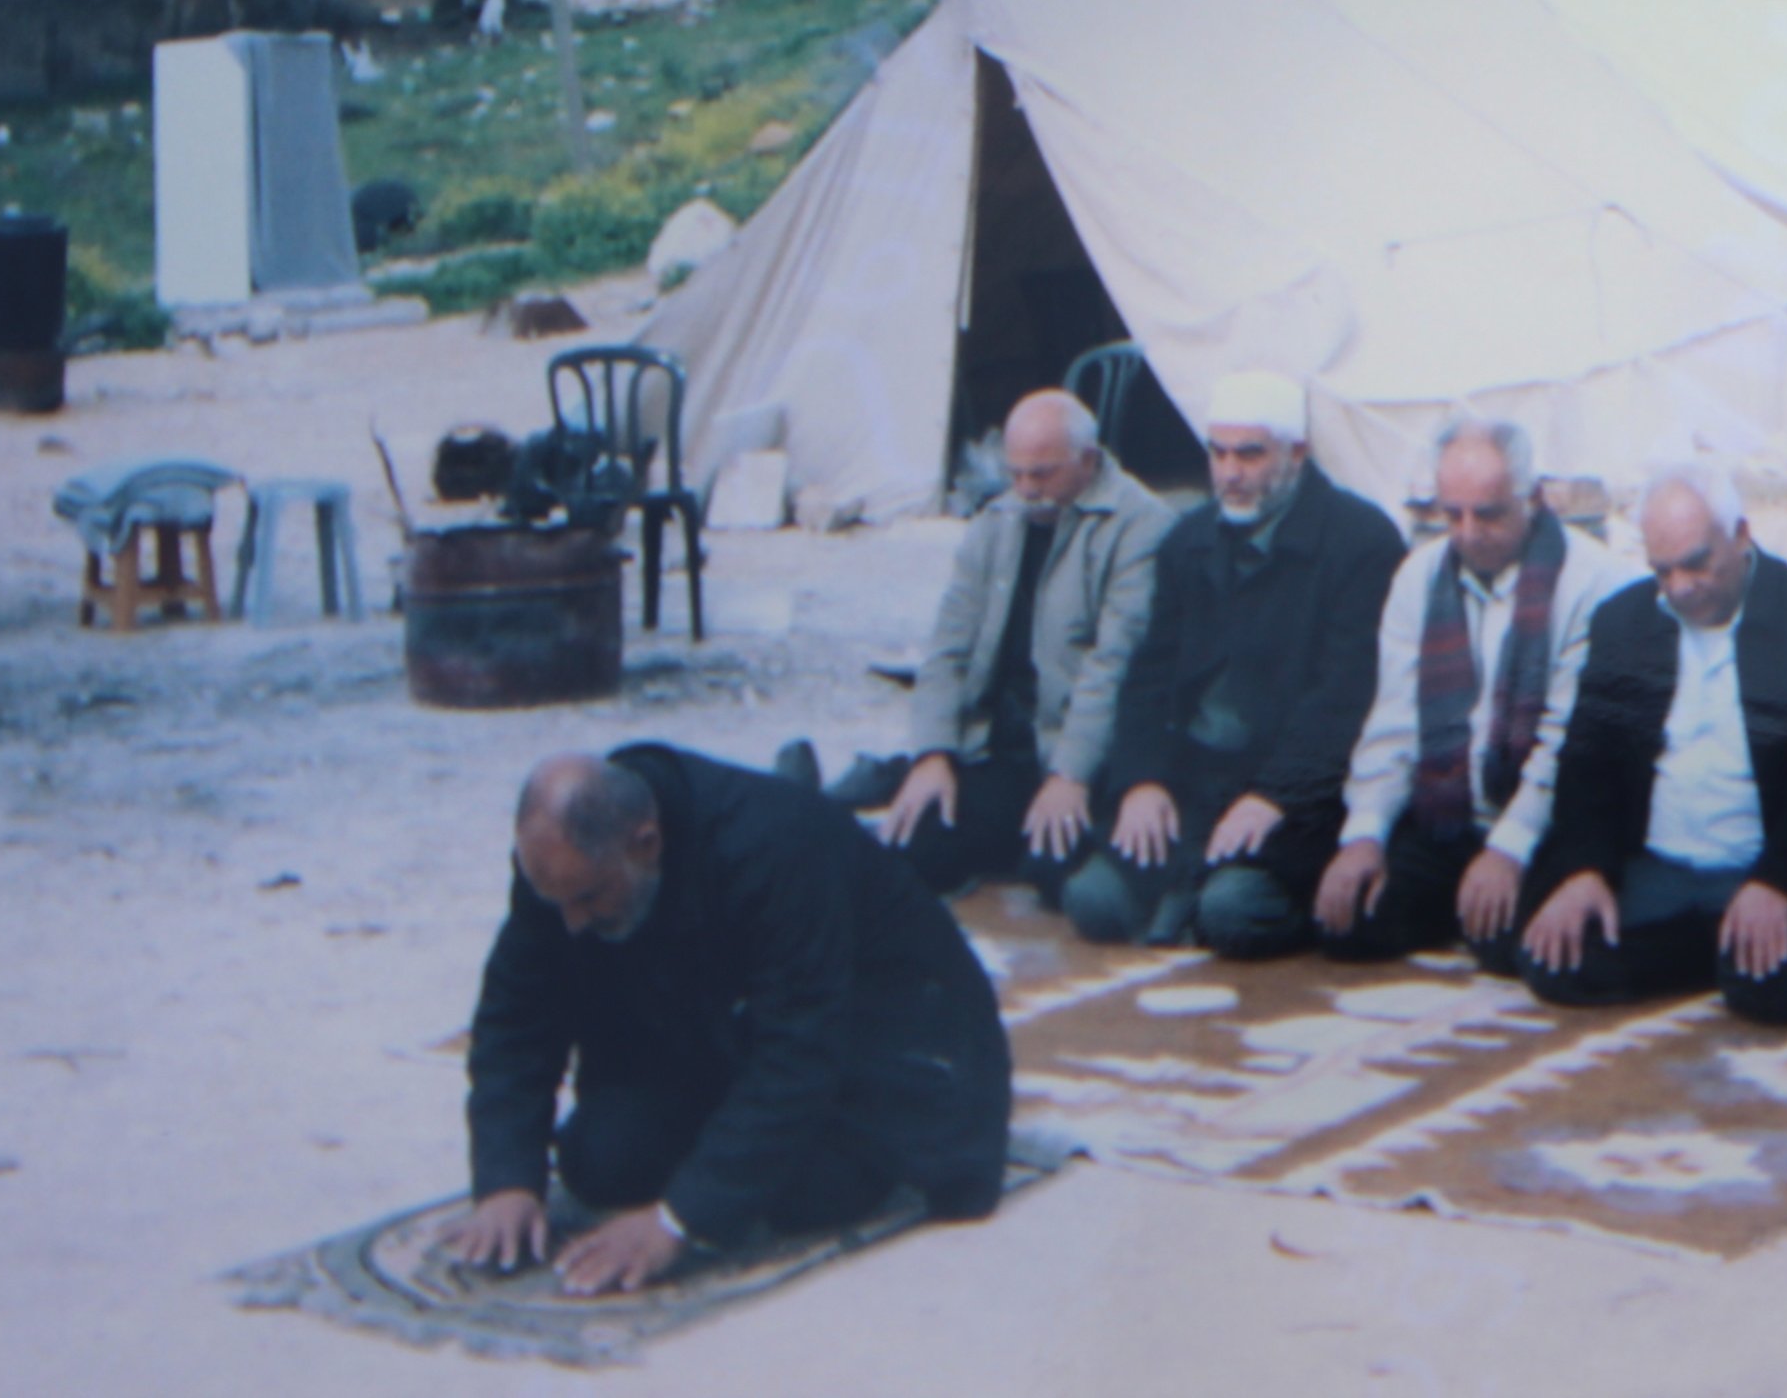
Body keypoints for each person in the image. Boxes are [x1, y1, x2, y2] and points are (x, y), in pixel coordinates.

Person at [441, 746, 1012, 1295]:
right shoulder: (568, 868)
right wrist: (506, 1180)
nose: (571, 923)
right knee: (602, 1160)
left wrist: (678, 1220)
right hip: (732, 1021)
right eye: (557, 903)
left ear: (646, 843)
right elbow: (515, 1013)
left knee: (803, 1193)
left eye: (589, 899)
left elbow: (799, 1052)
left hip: (887, 1036)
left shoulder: (773, 847)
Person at [1519, 462, 1787, 1022]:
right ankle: (1710, 949)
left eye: (1696, 563)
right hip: (1657, 868)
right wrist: (1585, 870)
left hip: (1763, 865)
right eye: (1663, 571)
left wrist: (1779, 882)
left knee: (1786, 986)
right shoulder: (1624, 622)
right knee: (1549, 949)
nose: (1680, 587)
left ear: (1741, 534)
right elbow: (1587, 760)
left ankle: (1714, 947)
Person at [1065, 370, 1404, 956]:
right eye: (1218, 453)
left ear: (1296, 453)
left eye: (1249, 454)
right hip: (1195, 778)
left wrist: (1274, 794)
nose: (1229, 473)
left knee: (1232, 912)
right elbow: (1148, 675)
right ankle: (1185, 889)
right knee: (1093, 900)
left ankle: (1221, 898)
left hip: (1302, 790)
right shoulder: (1189, 540)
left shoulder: (1361, 541)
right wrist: (1142, 779)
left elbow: (1346, 695)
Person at [1314, 417, 1629, 969]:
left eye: (1487, 514)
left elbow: (1565, 741)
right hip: (1446, 817)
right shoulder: (1419, 575)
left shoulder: (1595, 582)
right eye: (1451, 514)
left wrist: (1509, 848)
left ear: (1532, 499)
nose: (1467, 532)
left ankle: (1481, 906)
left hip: (1544, 823)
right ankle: (1459, 902)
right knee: (1348, 922)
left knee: (1515, 947)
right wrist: (1364, 835)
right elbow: (1393, 723)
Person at [845, 390, 1174, 900]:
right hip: (998, 744)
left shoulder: (1141, 527)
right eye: (1015, 473)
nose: (1025, 489)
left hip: (1077, 747)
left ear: (1088, 461)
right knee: (914, 850)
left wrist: (1070, 774)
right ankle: (882, 784)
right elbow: (947, 649)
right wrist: (933, 753)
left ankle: (908, 789)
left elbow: (1113, 665)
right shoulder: (997, 521)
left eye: (1041, 474)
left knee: (1052, 872)